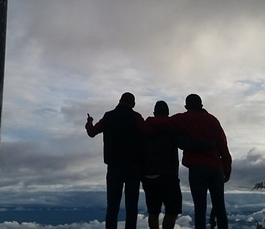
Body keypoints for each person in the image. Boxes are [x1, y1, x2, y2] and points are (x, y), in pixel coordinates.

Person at [154, 94, 232, 229]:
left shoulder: (183, 119)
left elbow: (162, 121)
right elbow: (223, 145)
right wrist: (227, 168)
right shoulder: (213, 120)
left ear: (186, 106)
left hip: (197, 169)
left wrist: (142, 122)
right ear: (201, 105)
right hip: (216, 168)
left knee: (200, 207)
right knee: (220, 207)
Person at [86, 92, 145, 229]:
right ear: (133, 104)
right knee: (132, 205)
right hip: (133, 166)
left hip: (114, 166)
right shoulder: (136, 117)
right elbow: (147, 132)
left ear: (119, 101)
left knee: (112, 205)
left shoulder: (108, 116)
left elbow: (92, 132)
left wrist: (89, 122)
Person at [141, 101, 182, 229]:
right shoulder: (172, 128)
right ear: (167, 114)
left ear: (154, 113)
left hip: (148, 176)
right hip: (168, 175)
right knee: (172, 210)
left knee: (153, 211)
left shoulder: (144, 128)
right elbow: (184, 143)